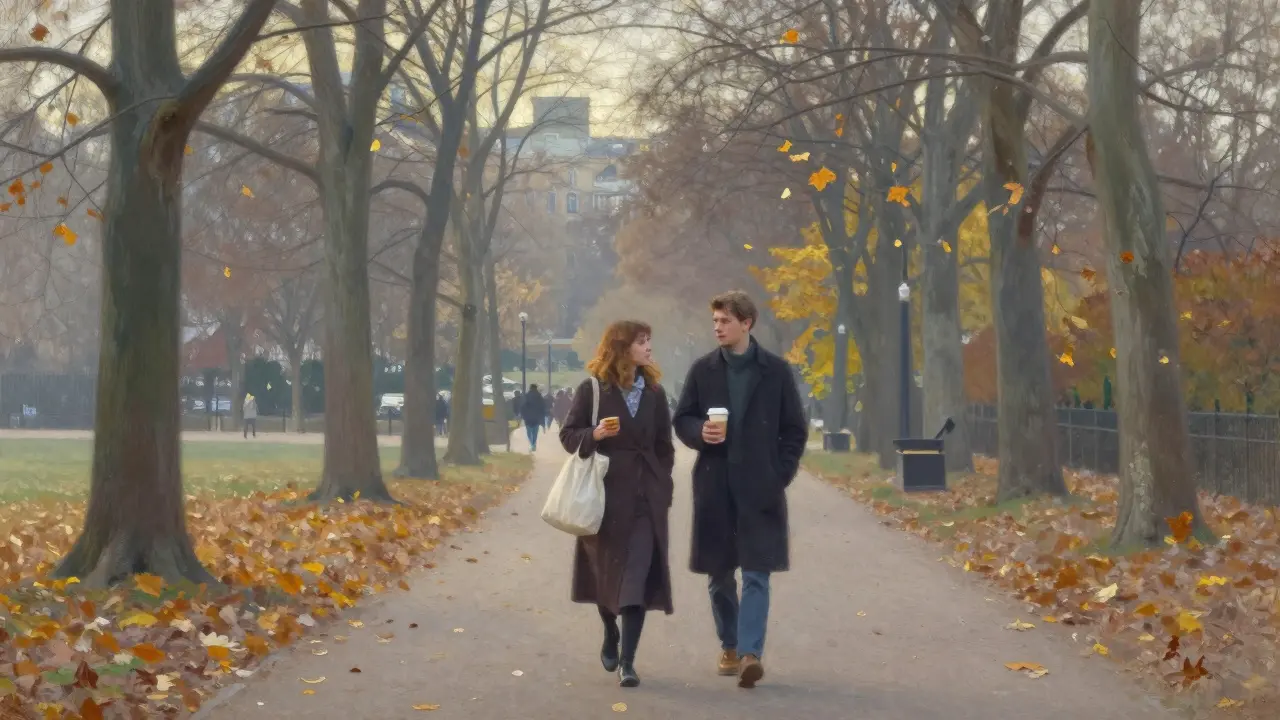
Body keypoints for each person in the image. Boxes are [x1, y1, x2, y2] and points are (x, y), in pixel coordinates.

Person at [673, 291, 807, 689]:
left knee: (756, 573)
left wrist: (778, 473)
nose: (717, 327)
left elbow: (794, 430)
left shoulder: (776, 372)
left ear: (747, 323)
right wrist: (700, 431)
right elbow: (681, 419)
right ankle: (730, 645)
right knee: (718, 575)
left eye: (725, 321)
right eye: (714, 321)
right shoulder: (703, 371)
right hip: (715, 486)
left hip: (760, 488)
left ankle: (750, 654)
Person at [560, 320, 675, 688]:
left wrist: (663, 484)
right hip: (604, 500)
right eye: (643, 342)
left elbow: (664, 447)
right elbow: (568, 434)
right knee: (607, 579)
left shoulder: (655, 393)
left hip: (645, 501)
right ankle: (610, 630)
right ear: (623, 348)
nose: (649, 348)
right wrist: (594, 434)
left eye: (649, 342)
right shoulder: (593, 389)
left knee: (636, 580)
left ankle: (628, 662)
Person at [520, 384, 547, 451]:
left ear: (530, 388)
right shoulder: (539, 397)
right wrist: (542, 419)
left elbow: (522, 407)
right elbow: (542, 408)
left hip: (528, 417)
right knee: (535, 432)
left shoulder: (526, 396)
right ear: (536, 388)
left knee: (529, 432)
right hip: (536, 417)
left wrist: (523, 415)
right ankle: (534, 444)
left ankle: (532, 444)